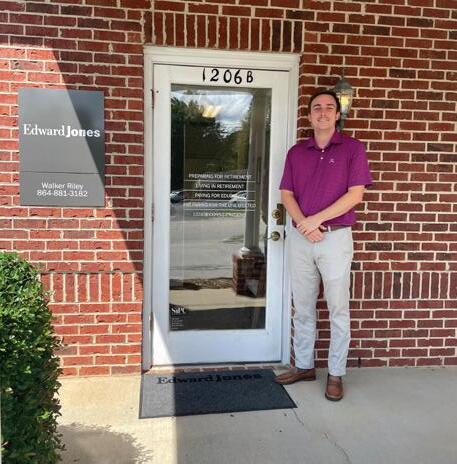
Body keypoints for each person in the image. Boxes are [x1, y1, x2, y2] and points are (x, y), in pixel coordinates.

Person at [274, 90, 372, 401]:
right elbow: (286, 195)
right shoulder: (296, 152)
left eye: (330, 107)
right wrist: (305, 224)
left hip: (335, 238)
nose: (323, 112)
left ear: (337, 115)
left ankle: (336, 373)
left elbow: (355, 195)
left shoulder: (353, 149)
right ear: (309, 115)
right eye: (317, 108)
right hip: (301, 239)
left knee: (337, 308)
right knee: (302, 306)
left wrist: (314, 221)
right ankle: (304, 366)